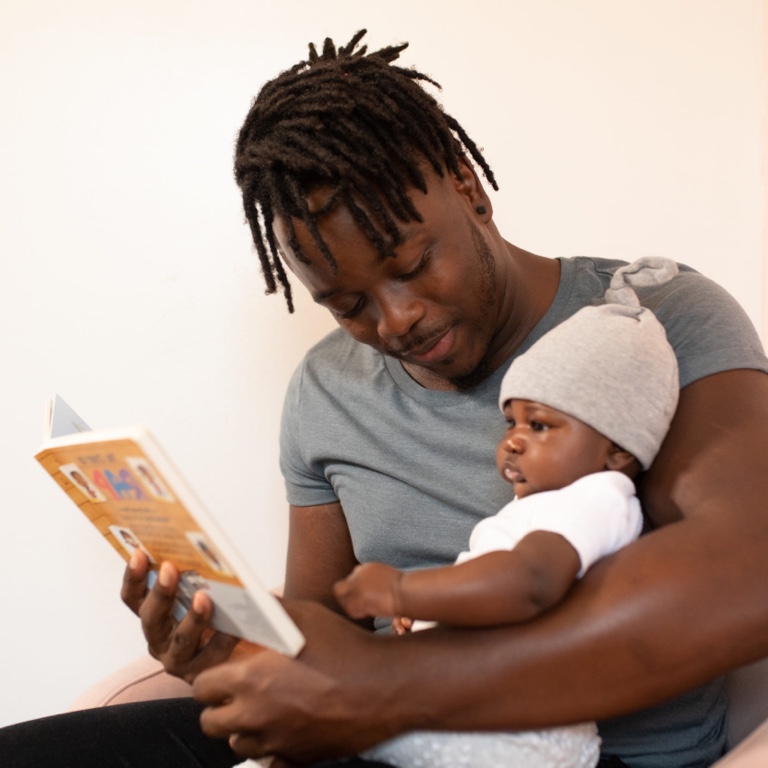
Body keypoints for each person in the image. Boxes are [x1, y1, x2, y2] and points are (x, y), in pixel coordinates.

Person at [3, 29, 768, 768]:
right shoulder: (326, 391)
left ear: (466, 186)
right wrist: (217, 645)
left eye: (412, 262)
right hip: (387, 739)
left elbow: (745, 567)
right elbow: (323, 626)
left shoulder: (652, 319)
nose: (395, 319)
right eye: (348, 304)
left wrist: (393, 689)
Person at [334, 257, 678, 768]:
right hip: (499, 717)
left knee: (329, 722)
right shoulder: (546, 506)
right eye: (510, 422)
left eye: (539, 426)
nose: (513, 440)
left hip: (528, 736)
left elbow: (529, 582)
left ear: (618, 450)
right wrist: (430, 612)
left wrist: (404, 589)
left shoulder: (598, 498)